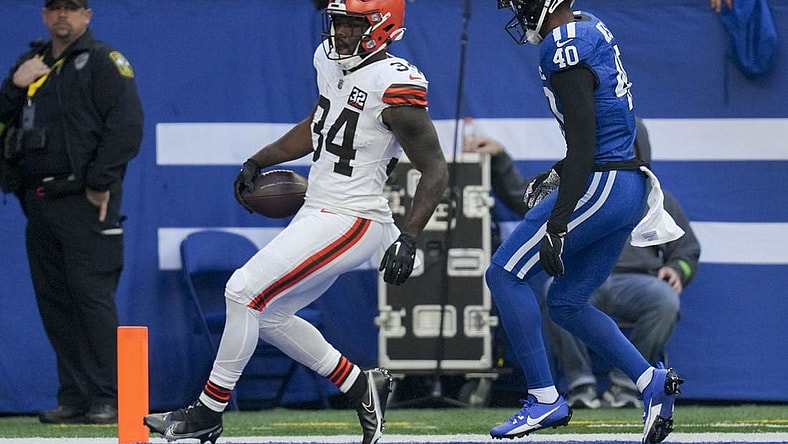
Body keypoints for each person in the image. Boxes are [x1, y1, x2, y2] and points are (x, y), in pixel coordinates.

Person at [143, 1, 449, 444]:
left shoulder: (395, 84)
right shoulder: (330, 61)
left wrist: (409, 235)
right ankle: (361, 385)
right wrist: (260, 157)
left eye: (352, 23)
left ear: (382, 28)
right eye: (337, 21)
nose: (340, 31)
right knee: (267, 313)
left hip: (353, 217)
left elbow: (435, 167)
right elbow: (320, 124)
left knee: (242, 291)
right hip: (320, 207)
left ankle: (208, 411)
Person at [488, 2, 683, 443]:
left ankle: (543, 399)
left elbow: (584, 144)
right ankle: (649, 381)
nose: (520, 10)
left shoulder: (563, 46)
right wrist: (560, 173)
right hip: (625, 185)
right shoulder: (589, 24)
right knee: (567, 302)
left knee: (503, 274)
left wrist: (558, 222)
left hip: (603, 181)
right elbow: (597, 126)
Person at [466, 120, 700, 411]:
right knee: (558, 296)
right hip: (583, 279)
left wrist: (678, 269)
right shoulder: (580, 187)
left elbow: (687, 249)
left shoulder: (653, 198)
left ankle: (630, 384)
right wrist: (499, 158)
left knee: (665, 299)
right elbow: (526, 198)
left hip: (637, 282)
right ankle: (580, 385)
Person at [0, 0, 143, 425]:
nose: (62, 15)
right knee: (55, 301)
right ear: (44, 16)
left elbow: (126, 125)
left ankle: (107, 396)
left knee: (91, 298)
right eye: (54, 8)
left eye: (71, 7)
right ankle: (75, 396)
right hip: (37, 201)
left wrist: (101, 182)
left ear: (87, 15)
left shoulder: (104, 61)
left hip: (86, 200)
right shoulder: (30, 63)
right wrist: (13, 84)